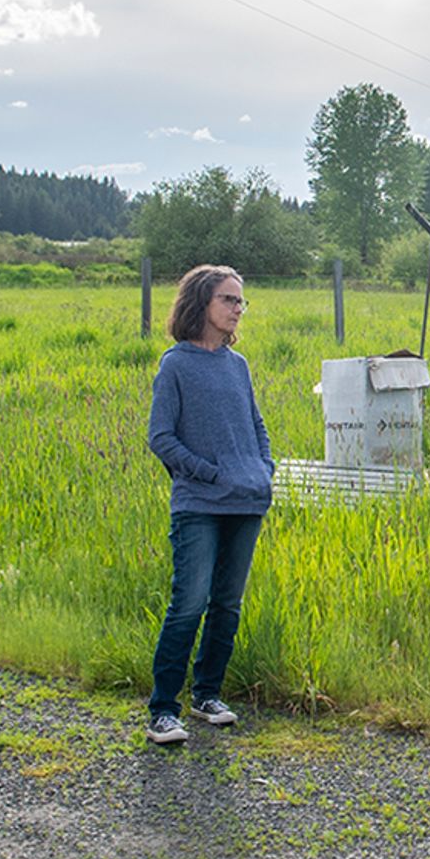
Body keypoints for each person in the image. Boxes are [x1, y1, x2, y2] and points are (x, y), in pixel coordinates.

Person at [143, 263, 273, 746]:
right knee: (188, 603)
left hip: (247, 500)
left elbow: (256, 426)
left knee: (227, 605)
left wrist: (263, 469)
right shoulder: (175, 364)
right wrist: (210, 472)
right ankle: (162, 710)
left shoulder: (237, 366)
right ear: (201, 302)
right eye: (229, 299)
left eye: (241, 301)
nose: (238, 309)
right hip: (199, 503)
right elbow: (161, 437)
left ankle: (207, 695)